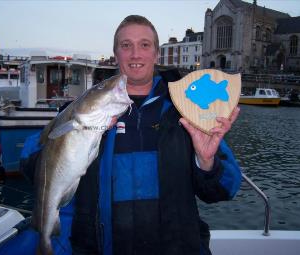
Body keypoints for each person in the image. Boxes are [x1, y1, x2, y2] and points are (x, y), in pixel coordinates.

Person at [69, 15, 241, 255]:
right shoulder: (82, 110)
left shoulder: (189, 108)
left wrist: (206, 162)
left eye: (145, 45)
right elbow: (34, 162)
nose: (135, 54)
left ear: (156, 54)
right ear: (116, 54)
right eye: (126, 45)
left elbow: (226, 189)